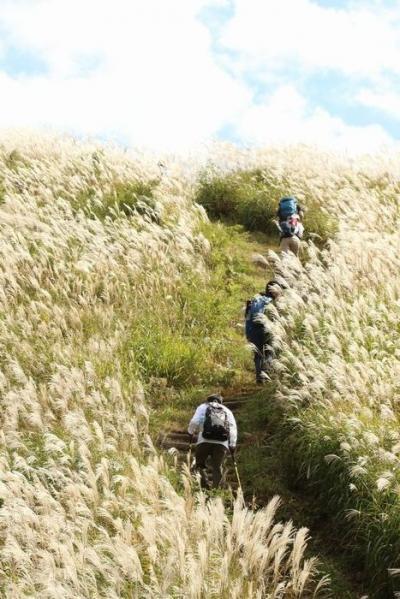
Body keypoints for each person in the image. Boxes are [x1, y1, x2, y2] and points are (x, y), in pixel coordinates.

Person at [188, 394, 237, 490]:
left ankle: (205, 485)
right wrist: (232, 445)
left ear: (208, 400)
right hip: (222, 443)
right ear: (220, 402)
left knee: (199, 464)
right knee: (217, 467)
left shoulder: (203, 407)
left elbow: (194, 421)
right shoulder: (226, 410)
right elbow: (232, 428)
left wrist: (190, 432)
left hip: (204, 440)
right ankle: (215, 491)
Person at [245, 280, 283, 384]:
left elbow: (247, 316)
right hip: (266, 329)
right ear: (273, 291)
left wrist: (248, 333)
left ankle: (259, 377)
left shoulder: (256, 299)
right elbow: (275, 319)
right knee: (269, 352)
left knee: (258, 354)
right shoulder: (271, 302)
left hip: (252, 330)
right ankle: (267, 375)